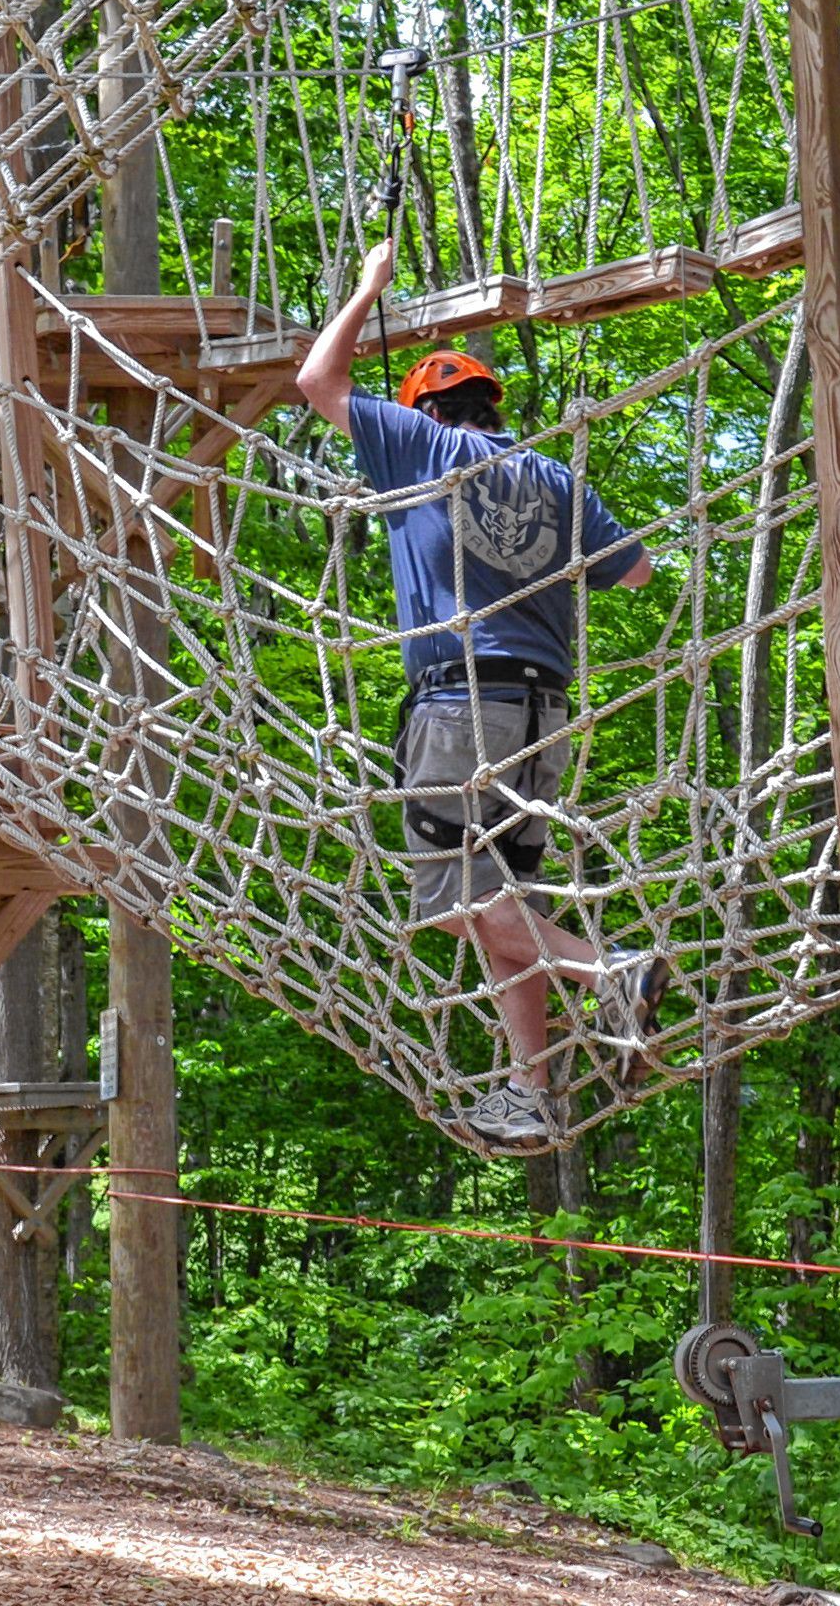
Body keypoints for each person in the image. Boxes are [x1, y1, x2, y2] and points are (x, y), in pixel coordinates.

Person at [295, 239, 664, 1152]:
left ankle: (611, 971)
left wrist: (369, 284)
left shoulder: (419, 444)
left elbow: (317, 381)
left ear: (422, 410)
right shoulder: (552, 475)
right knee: (509, 907)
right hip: (544, 711)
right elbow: (638, 574)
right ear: (492, 407)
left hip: (461, 703)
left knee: (456, 902)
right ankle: (528, 1090)